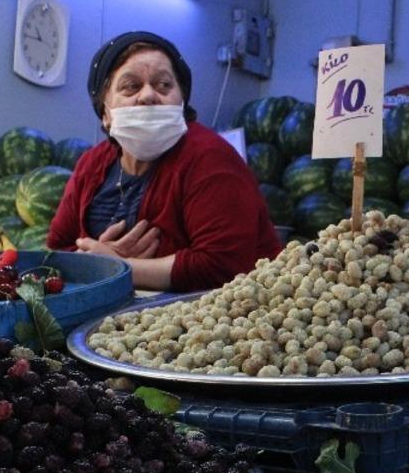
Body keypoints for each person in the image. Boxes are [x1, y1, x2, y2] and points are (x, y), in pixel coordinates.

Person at [48, 31, 282, 291]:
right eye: (131, 86)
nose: (148, 95)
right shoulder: (91, 164)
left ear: (182, 101)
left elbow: (223, 265)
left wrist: (115, 267)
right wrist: (100, 259)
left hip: (216, 320)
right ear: (105, 113)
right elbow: (57, 249)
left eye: (164, 85)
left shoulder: (211, 159)